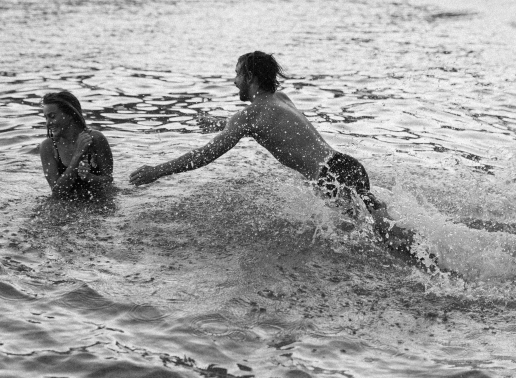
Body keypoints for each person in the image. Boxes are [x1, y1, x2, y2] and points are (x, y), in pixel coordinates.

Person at [128, 52, 414, 252]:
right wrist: (220, 124)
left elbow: (204, 155)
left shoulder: (248, 116)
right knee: (384, 228)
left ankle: (424, 268)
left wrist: (157, 171)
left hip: (329, 177)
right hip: (346, 165)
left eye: (237, 74)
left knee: (379, 241)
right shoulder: (281, 99)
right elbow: (270, 125)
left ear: (250, 77)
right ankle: (424, 251)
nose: (234, 81)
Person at [40, 90, 113, 200]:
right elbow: (57, 193)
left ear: (70, 115)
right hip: (66, 204)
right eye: (46, 118)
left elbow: (108, 182)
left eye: (52, 116)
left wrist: (89, 177)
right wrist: (78, 155)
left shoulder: (96, 139)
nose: (48, 123)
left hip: (97, 201)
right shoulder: (47, 147)